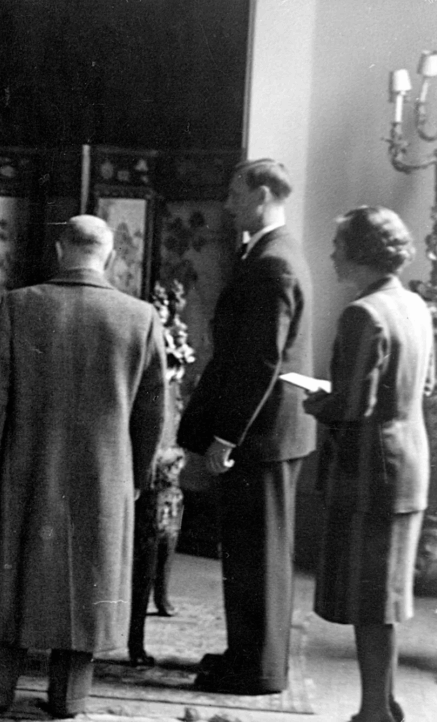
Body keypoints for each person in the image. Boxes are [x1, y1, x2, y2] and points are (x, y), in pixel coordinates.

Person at [0, 215, 167, 718]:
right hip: (106, 474)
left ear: (59, 249)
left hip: (28, 467)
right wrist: (136, 477)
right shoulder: (140, 316)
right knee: (89, 578)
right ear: (110, 256)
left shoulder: (19, 306)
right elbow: (153, 411)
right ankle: (69, 696)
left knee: (14, 574)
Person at [177, 158, 316, 694]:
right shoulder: (270, 252)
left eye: (235, 195)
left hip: (261, 434)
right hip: (269, 431)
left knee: (259, 555)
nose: (228, 205)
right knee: (253, 552)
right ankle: (249, 656)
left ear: (260, 196)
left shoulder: (272, 263)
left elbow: (261, 361)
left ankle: (257, 671)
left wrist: (225, 436)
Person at [303, 207, 433, 722]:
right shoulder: (414, 304)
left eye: (338, 245)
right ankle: (384, 702)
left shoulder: (363, 314)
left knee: (369, 600)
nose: (333, 254)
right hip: (409, 467)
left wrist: (319, 403)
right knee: (387, 595)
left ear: (360, 252)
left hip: (371, 474)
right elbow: (421, 385)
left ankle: (374, 710)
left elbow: (353, 405)